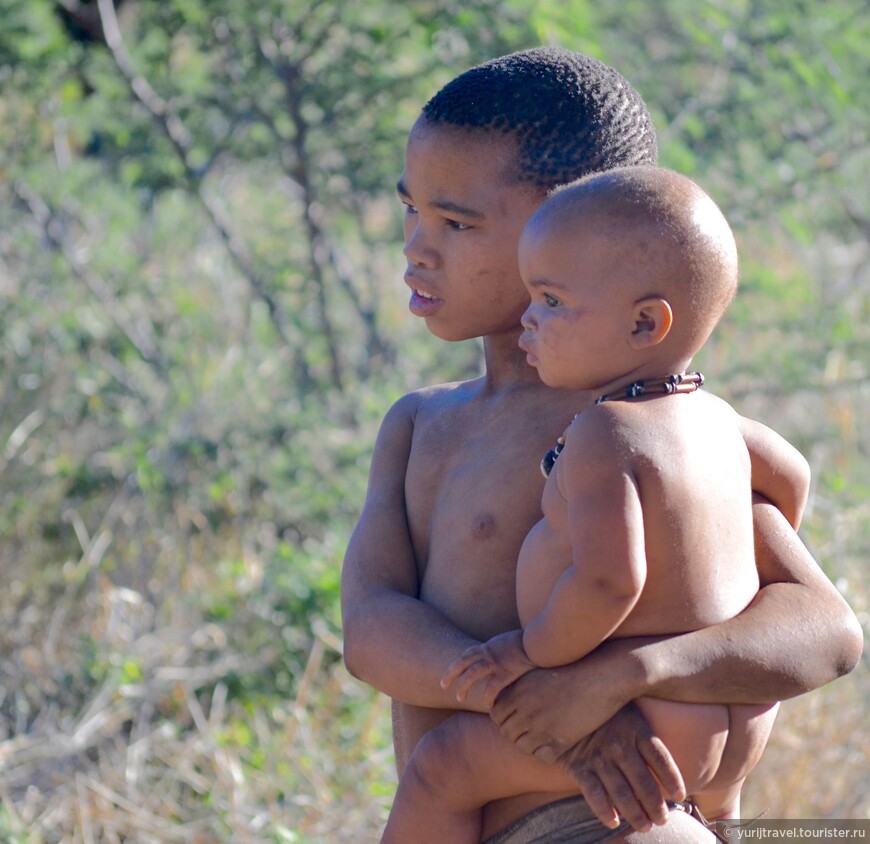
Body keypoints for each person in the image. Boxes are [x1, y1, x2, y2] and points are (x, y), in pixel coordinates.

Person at [340, 47, 862, 843]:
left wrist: (623, 677)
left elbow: (822, 629)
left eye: (457, 222)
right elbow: (370, 628)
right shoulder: (421, 426)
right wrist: (533, 705)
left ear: (573, 220)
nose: (417, 245)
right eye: (410, 210)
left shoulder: (652, 433)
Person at [381, 165, 783, 843]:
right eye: (409, 212)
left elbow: (608, 580)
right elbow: (791, 478)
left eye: (552, 299)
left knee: (439, 769)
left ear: (644, 322)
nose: (417, 245)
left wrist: (531, 660)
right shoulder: (716, 422)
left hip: (636, 741)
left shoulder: (606, 431)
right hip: (710, 740)